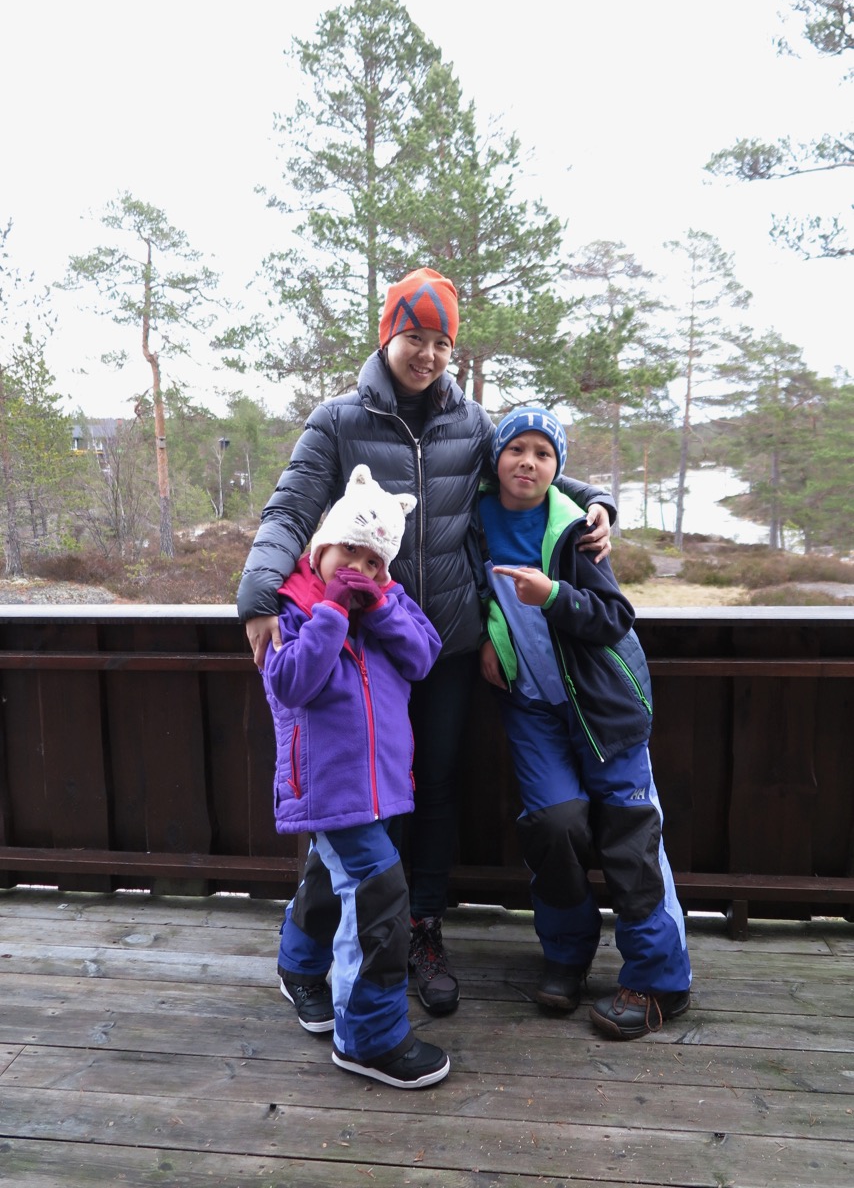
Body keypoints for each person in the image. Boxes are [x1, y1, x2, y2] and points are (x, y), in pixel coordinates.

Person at [238, 266, 616, 1017]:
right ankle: (323, 939)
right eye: (416, 337)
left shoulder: (470, 423)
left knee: (434, 789)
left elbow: (526, 474)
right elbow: (290, 510)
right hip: (357, 651)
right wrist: (256, 595)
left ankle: (421, 929)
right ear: (388, 336)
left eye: (442, 342)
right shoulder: (338, 421)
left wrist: (595, 500)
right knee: (349, 800)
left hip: (439, 645)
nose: (430, 355)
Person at [476, 406, 692, 1041]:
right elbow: (469, 589)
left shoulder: (575, 529)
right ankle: (567, 955)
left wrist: (552, 595)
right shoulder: (473, 518)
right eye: (517, 449)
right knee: (554, 825)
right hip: (533, 707)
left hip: (602, 705)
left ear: (557, 467)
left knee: (629, 833)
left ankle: (660, 981)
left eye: (544, 453)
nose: (528, 462)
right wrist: (488, 636)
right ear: (496, 458)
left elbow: (613, 616)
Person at [263, 464, 449, 1088]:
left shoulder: (389, 602)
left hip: (384, 783)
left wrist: (381, 605)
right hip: (328, 783)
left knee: (331, 875)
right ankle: (369, 1037)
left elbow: (423, 657)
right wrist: (333, 614)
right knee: (378, 893)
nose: (359, 569)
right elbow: (290, 683)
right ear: (321, 548)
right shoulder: (293, 608)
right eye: (349, 553)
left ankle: (298, 966)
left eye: (374, 561)